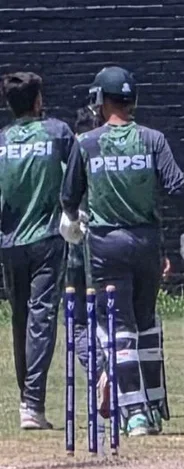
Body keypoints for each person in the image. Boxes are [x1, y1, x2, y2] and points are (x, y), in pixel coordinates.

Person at [60, 66, 184, 437]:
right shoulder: (153, 139)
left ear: (99, 101)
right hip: (147, 243)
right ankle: (156, 406)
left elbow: (68, 196)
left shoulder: (86, 143)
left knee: (120, 329)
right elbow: (177, 185)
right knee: (146, 323)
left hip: (106, 245)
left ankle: (136, 414)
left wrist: (72, 221)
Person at [0, 72, 74, 430]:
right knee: (40, 317)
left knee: (19, 318)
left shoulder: (2, 141)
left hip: (10, 241)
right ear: (38, 101)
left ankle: (27, 401)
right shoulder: (57, 132)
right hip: (46, 237)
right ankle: (33, 403)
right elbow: (78, 174)